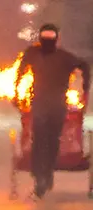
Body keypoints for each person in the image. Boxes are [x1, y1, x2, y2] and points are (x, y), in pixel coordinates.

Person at [15, 24, 90, 199]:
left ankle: (43, 176)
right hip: (44, 104)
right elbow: (85, 67)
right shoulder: (43, 54)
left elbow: (20, 72)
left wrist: (85, 89)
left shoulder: (59, 56)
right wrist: (85, 88)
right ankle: (42, 177)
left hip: (53, 105)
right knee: (44, 140)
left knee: (45, 140)